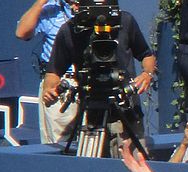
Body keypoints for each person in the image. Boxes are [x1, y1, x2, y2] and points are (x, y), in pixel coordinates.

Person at [42, 1, 157, 158]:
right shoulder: (69, 30)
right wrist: (49, 90)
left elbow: (146, 55)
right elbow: (53, 72)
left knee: (136, 168)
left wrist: (147, 75)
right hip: (91, 112)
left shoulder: (125, 21)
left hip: (126, 109)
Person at [15, 0, 79, 144]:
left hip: (92, 83)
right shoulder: (52, 9)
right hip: (60, 84)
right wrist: (41, 2)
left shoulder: (98, 6)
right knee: (59, 145)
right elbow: (21, 32)